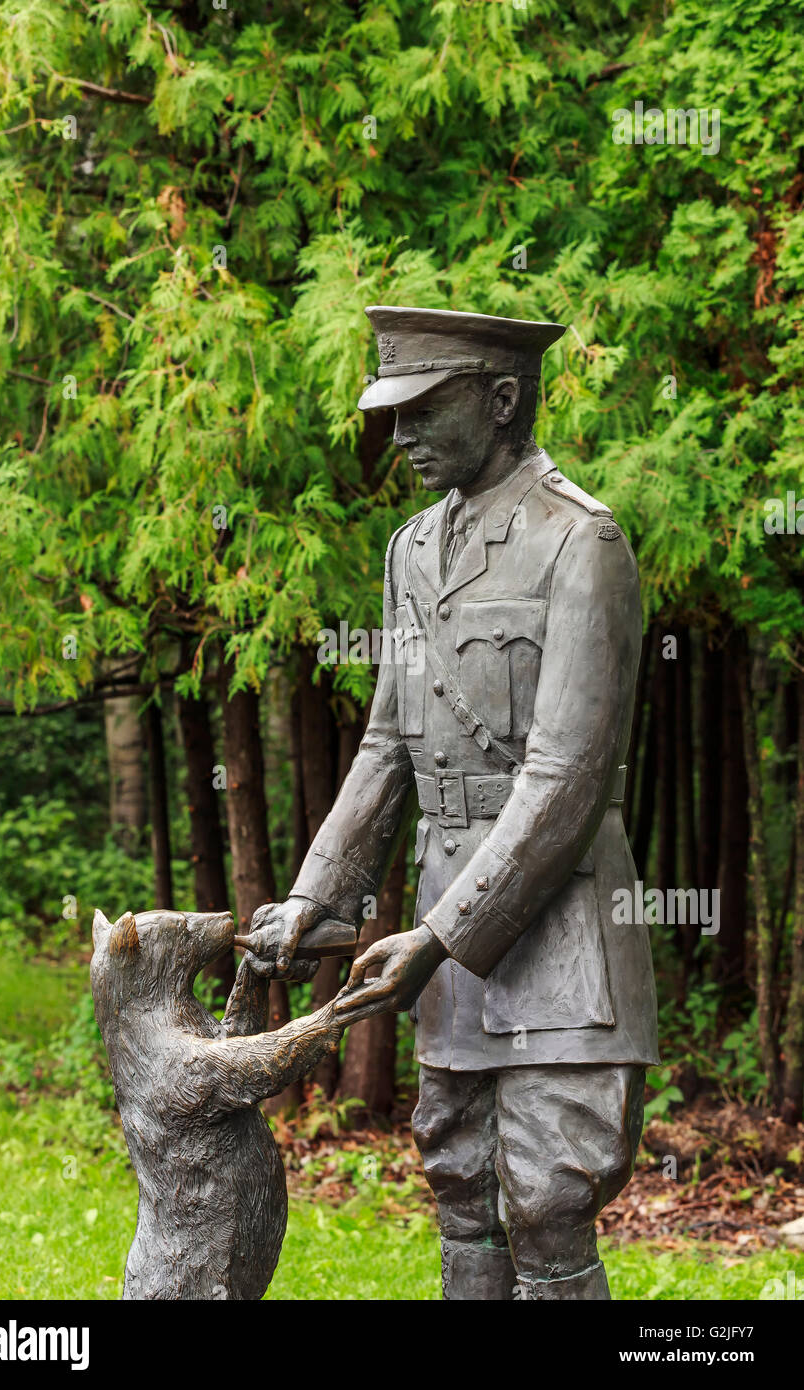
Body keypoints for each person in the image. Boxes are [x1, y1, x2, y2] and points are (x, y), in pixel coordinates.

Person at [245, 306, 659, 1300]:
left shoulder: (580, 542)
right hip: (449, 944)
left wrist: (434, 933)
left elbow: (562, 778)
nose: (402, 439)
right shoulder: (410, 552)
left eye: (424, 411)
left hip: (557, 937)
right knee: (463, 1190)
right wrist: (318, 894)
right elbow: (389, 740)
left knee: (546, 1203)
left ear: (504, 398)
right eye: (392, 416)